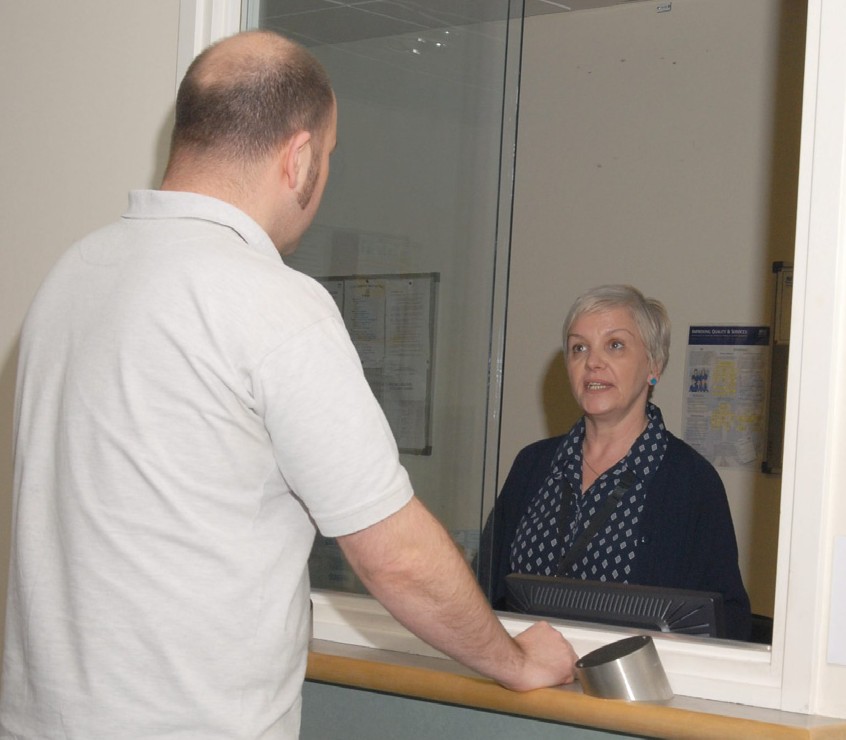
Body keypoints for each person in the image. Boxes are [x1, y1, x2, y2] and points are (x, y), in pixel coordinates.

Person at [0, 30, 577, 739]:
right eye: (328, 156)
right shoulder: (270, 301)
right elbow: (393, 556)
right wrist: (516, 660)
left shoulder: (73, 275)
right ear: (298, 156)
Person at [479, 284, 752, 640]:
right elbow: (483, 586)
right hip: (529, 681)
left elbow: (725, 620)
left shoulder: (692, 482)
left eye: (615, 345)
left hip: (628, 686)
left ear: (654, 364)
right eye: (579, 348)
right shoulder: (533, 465)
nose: (592, 362)